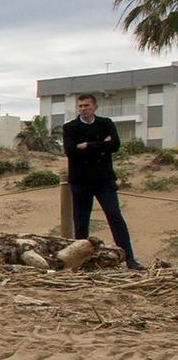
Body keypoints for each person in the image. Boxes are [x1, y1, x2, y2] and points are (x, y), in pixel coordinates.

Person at [63, 92, 145, 269]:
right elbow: (71, 151)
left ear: (95, 107)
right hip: (80, 180)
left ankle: (129, 259)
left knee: (115, 216)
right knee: (81, 222)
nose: (83, 109)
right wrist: (101, 145)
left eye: (87, 105)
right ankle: (81, 262)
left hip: (104, 179)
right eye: (81, 106)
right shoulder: (71, 127)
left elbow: (115, 145)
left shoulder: (106, 123)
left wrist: (88, 145)